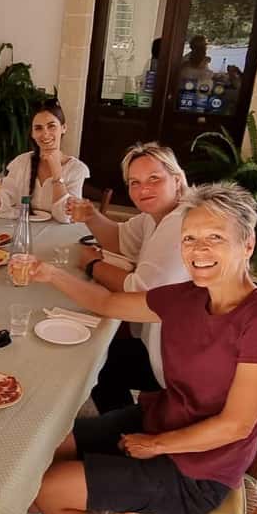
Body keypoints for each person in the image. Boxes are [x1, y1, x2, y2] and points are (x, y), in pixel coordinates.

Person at [14, 182, 257, 514]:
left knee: (49, 487)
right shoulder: (190, 295)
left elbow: (236, 426)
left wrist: (156, 445)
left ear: (247, 244)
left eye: (215, 238)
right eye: (190, 239)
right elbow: (111, 304)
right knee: (48, 445)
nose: (198, 251)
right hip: (162, 420)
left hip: (200, 469)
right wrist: (50, 273)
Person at [73, 143, 190, 414]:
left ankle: (123, 429)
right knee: (101, 346)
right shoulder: (158, 214)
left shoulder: (180, 223)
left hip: (177, 359)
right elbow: (120, 239)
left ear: (177, 178)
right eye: (134, 182)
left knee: (95, 361)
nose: (143, 189)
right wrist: (91, 215)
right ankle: (119, 421)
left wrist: (93, 265)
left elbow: (138, 293)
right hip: (160, 338)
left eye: (154, 179)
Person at [0, 98, 90, 223]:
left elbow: (66, 217)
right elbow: (1, 203)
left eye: (51, 126)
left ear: (63, 128)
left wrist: (57, 174)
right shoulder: (21, 162)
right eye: (38, 128)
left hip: (58, 238)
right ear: (32, 133)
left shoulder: (77, 169)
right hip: (21, 232)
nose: (45, 134)